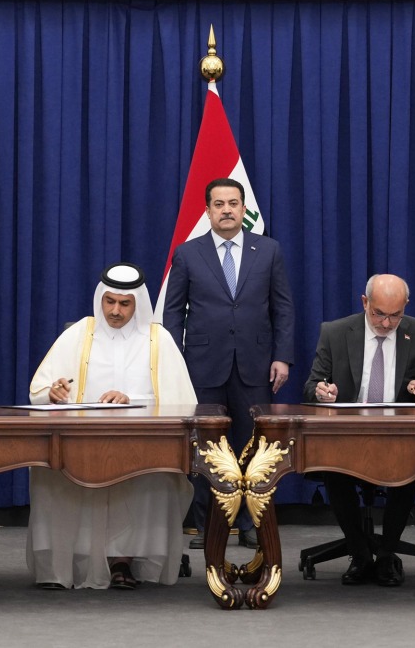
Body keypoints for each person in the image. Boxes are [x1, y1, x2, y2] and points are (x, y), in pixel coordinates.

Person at [26, 263, 196, 590]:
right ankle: (66, 563)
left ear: (137, 304)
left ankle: (123, 561)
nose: (115, 311)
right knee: (52, 471)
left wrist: (130, 399)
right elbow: (40, 391)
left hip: (142, 443)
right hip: (82, 440)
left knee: (154, 477)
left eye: (124, 303)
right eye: (109, 301)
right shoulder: (78, 334)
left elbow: (181, 402)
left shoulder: (158, 340)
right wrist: (54, 392)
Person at [163, 178, 295, 550]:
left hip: (256, 364)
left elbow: (283, 308)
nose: (226, 210)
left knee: (254, 447)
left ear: (243, 209)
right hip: (202, 366)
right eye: (218, 204)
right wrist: (174, 363)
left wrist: (282, 356)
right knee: (207, 449)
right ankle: (209, 527)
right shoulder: (188, 253)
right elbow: (173, 313)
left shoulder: (268, 250)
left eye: (233, 203)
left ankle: (252, 523)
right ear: (207, 211)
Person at [302, 274, 415, 587]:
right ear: (365, 302)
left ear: (405, 307)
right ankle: (359, 553)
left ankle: (386, 553)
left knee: (412, 468)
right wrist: (322, 392)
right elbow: (312, 385)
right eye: (379, 314)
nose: (386, 323)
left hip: (399, 435)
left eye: (396, 315)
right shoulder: (336, 332)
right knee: (334, 472)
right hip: (348, 435)